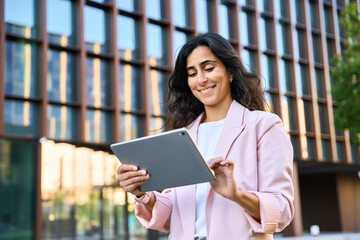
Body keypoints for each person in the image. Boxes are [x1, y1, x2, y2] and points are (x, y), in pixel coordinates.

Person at [116, 32, 294, 240]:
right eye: (192, 73)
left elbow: (282, 210)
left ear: (230, 72)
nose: (201, 80)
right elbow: (174, 211)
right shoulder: (184, 136)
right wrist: (141, 192)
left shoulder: (263, 126)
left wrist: (237, 195)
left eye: (209, 68)